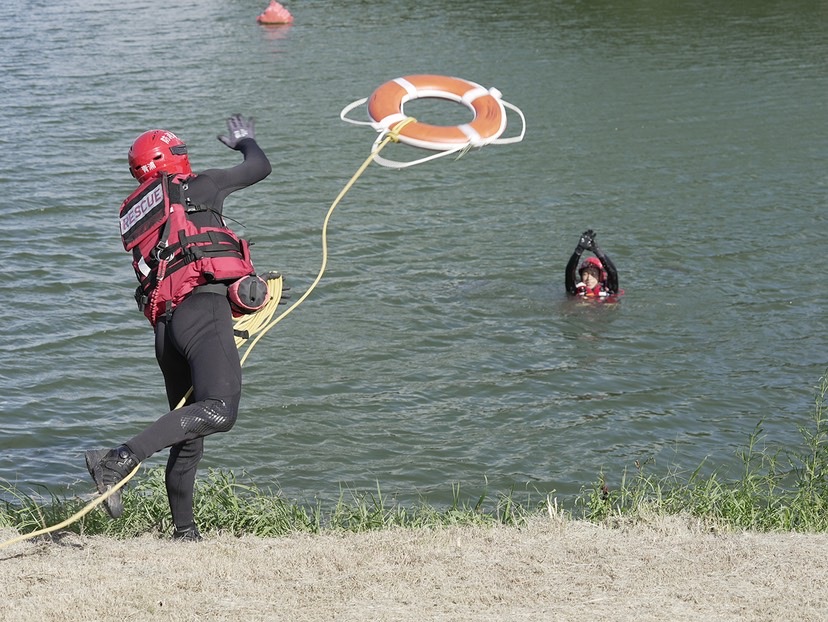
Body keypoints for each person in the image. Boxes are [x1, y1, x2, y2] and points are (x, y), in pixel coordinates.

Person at [85, 114, 272, 541]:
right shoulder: (198, 187)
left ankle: (185, 533)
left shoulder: (136, 215)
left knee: (189, 434)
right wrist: (245, 141)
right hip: (202, 310)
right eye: (180, 151)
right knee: (219, 411)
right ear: (171, 159)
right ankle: (116, 460)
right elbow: (259, 168)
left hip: (166, 331)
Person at [565, 229, 619, 298]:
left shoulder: (609, 290)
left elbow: (613, 272)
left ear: (600, 277)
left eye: (593, 274)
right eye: (585, 274)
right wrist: (579, 249)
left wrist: (596, 250)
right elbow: (569, 271)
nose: (588, 279)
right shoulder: (574, 290)